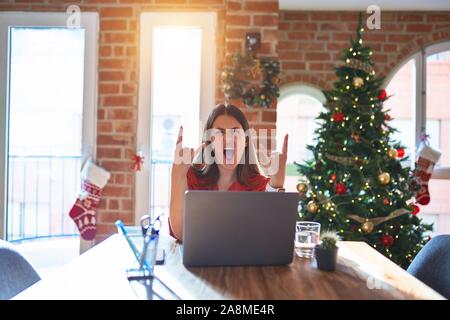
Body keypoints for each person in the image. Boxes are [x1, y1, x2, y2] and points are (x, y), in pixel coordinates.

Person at [169, 103, 288, 241]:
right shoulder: (191, 179)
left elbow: (274, 235)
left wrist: (277, 184)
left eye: (235, 132)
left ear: (246, 140)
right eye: (219, 132)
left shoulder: (262, 186)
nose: (228, 139)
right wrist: (177, 174)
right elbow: (181, 234)